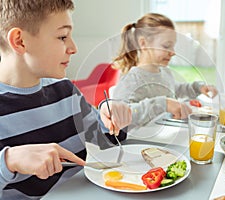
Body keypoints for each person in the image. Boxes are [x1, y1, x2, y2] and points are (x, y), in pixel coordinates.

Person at [0, 0, 131, 199]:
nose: (73, 48)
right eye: (62, 37)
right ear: (20, 41)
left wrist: (111, 114)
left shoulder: (65, 90)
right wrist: (8, 161)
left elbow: (107, 138)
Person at [112, 13, 218, 127]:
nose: (173, 52)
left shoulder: (165, 72)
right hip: (139, 141)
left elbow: (175, 89)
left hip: (164, 136)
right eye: (166, 46)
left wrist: (198, 87)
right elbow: (120, 114)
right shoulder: (132, 79)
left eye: (173, 46)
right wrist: (164, 104)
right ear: (143, 43)